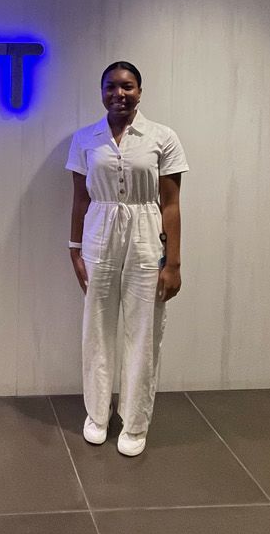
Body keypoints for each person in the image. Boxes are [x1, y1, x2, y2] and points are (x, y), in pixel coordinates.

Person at [65, 62, 189, 455]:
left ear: (140, 91)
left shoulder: (162, 137)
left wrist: (173, 263)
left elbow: (171, 204)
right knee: (97, 327)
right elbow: (80, 198)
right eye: (111, 87)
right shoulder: (85, 138)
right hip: (98, 234)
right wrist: (74, 249)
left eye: (127, 86)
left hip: (146, 234)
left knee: (144, 330)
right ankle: (97, 413)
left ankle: (135, 423)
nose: (119, 94)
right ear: (101, 91)